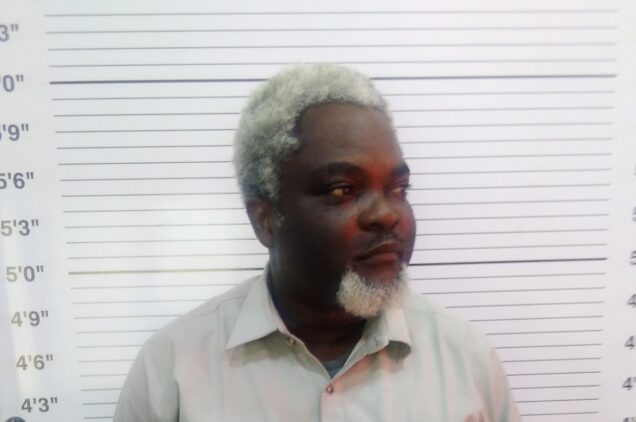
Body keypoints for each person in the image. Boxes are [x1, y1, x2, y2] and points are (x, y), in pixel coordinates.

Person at [114, 63, 521, 421]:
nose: (386, 214)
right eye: (343, 190)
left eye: (398, 188)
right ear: (266, 219)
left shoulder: (466, 359)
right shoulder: (171, 371)